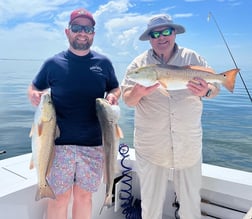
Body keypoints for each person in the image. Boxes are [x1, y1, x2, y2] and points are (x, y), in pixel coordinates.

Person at [121, 14, 220, 219]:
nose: (161, 37)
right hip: (152, 146)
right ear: (149, 38)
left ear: (174, 33)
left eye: (166, 31)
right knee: (150, 205)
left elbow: (215, 87)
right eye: (155, 33)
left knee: (191, 205)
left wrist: (206, 91)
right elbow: (128, 100)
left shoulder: (193, 58)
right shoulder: (139, 65)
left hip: (188, 144)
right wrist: (138, 92)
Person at [28, 8, 120, 219]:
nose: (82, 32)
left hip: (94, 145)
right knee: (59, 198)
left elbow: (115, 88)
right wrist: (34, 95)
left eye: (88, 28)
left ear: (93, 34)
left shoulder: (103, 63)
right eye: (77, 27)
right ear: (67, 31)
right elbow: (34, 87)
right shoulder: (53, 63)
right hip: (59, 146)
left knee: (84, 197)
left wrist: (114, 96)